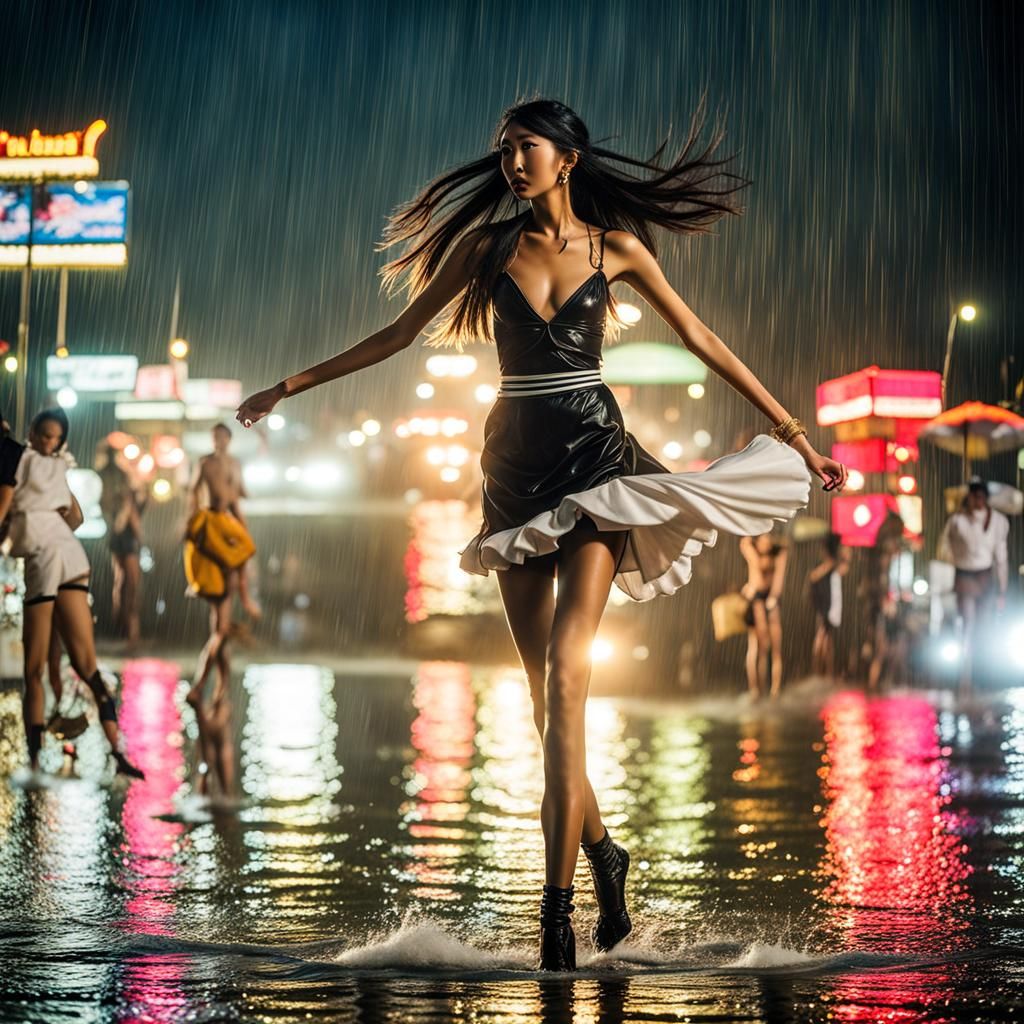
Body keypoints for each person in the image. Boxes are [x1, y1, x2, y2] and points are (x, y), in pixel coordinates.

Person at [235, 98, 846, 970]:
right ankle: (604, 853)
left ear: (568, 158)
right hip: (513, 471)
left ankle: (556, 922)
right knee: (538, 698)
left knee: (566, 676)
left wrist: (795, 435)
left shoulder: (617, 249)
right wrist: (287, 387)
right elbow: (399, 335)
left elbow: (701, 337)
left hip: (597, 461)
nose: (512, 161)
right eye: (505, 150)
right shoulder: (486, 249)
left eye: (526, 147)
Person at [0, 409, 143, 778]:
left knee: (33, 671)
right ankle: (118, 753)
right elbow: (76, 517)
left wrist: (28, 532)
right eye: (45, 435)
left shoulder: (14, 461)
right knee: (87, 667)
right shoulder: (54, 470)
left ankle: (34, 766)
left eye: (53, 437)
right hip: (73, 559)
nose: (48, 442)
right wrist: (53, 528)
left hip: (45, 561)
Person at [183, 422, 257, 796]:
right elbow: (193, 493)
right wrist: (193, 526)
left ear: (229, 439)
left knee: (222, 624)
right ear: (213, 439)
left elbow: (237, 498)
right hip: (211, 524)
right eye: (216, 437)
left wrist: (242, 532)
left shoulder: (234, 465)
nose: (220, 442)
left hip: (226, 523)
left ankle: (218, 686)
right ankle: (201, 685)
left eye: (224, 437)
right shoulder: (205, 463)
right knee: (221, 625)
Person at [942, 478, 1010, 693]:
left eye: (980, 497)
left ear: (986, 499)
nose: (976, 501)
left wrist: (1002, 589)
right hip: (964, 574)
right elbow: (945, 550)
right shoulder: (956, 520)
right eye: (973, 497)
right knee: (968, 623)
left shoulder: (999, 521)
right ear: (968, 498)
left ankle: (981, 675)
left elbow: (1001, 557)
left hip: (985, 575)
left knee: (983, 628)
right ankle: (964, 675)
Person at [98, 444, 145, 646]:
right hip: (124, 536)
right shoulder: (116, 480)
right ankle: (126, 629)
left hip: (124, 535)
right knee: (128, 583)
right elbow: (125, 518)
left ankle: (127, 628)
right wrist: (137, 532)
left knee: (124, 582)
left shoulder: (125, 480)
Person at [740, 532, 788, 699]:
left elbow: (778, 580)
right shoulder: (752, 552)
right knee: (758, 647)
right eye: (762, 540)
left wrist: (773, 597)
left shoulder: (778, 554)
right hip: (757, 599)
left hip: (771, 599)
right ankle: (756, 689)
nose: (766, 543)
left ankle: (775, 690)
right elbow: (745, 542)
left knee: (775, 648)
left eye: (768, 539)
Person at [808, 532, 849, 681]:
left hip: (828, 603)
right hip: (825, 604)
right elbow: (813, 577)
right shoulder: (828, 564)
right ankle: (820, 671)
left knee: (827, 639)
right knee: (822, 638)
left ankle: (825, 672)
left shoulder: (833, 564)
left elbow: (844, 569)